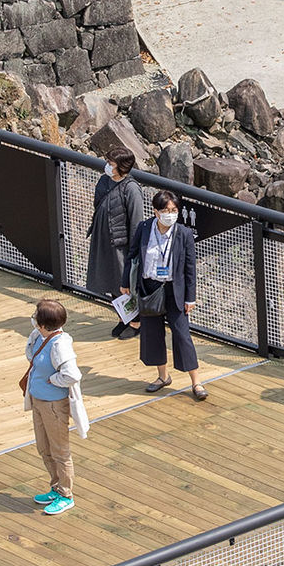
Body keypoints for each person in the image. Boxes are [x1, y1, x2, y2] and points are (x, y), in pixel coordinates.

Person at [132, 189, 206, 400]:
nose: (170, 214)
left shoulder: (183, 233)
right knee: (152, 333)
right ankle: (162, 376)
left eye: (174, 210)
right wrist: (125, 284)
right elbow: (132, 256)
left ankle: (196, 382)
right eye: (165, 210)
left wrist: (190, 297)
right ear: (155, 211)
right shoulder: (144, 228)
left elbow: (190, 268)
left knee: (182, 334)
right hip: (150, 287)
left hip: (175, 290)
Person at [20, 296, 90, 516]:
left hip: (53, 406)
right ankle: (56, 486)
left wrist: (53, 381)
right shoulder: (40, 336)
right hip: (39, 402)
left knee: (60, 451)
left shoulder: (60, 344)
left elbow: (71, 374)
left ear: (43, 324)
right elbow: (31, 355)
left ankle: (66, 494)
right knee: (44, 447)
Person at [87, 152, 145, 338]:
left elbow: (136, 221)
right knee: (111, 280)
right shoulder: (104, 181)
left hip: (121, 243)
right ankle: (123, 318)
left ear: (121, 166)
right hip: (103, 238)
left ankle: (136, 322)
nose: (107, 166)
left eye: (111, 163)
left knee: (124, 282)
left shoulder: (131, 189)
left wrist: (134, 250)